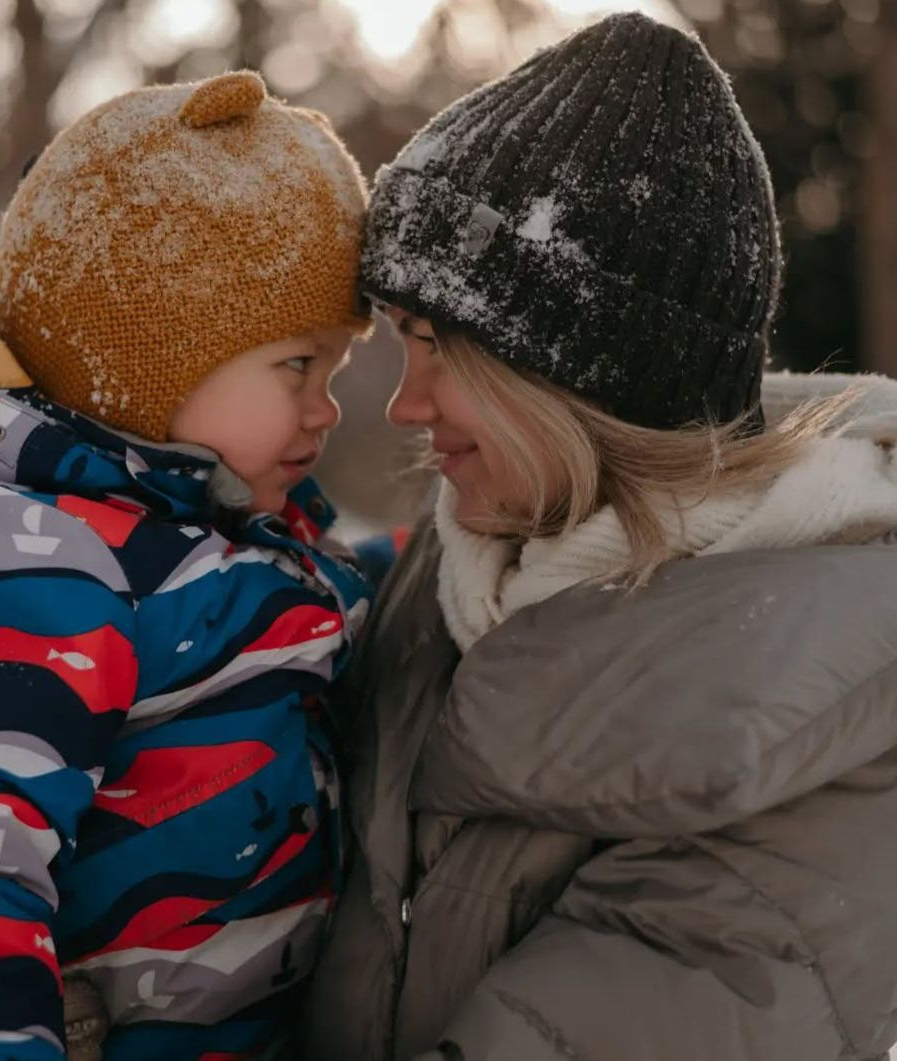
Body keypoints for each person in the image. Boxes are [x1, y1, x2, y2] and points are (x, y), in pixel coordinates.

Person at [300, 13, 897, 1061]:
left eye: (439, 348)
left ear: (575, 379)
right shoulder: (451, 576)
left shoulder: (812, 706)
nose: (403, 404)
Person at [0, 70, 373, 1060]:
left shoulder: (217, 525)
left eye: (336, 368)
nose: (327, 406)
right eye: (300, 363)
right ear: (147, 350)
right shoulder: (2, 550)